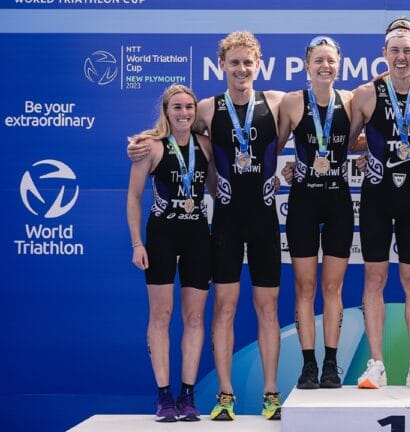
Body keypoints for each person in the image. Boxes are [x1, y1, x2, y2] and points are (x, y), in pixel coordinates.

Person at [128, 31, 285, 421]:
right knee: (221, 310)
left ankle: (268, 393)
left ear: (259, 64)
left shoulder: (279, 102)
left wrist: (360, 144)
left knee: (264, 309)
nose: (242, 69)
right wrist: (137, 143)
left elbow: (340, 108)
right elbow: (164, 138)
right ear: (222, 66)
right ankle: (216, 396)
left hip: (257, 221)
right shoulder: (204, 111)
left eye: (248, 62)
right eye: (234, 62)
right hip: (221, 225)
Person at [347, 17, 410, 390]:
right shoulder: (366, 93)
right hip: (376, 196)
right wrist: (365, 152)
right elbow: (346, 139)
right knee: (375, 278)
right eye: (394, 50)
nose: (400, 57)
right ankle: (376, 364)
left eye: (407, 50)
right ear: (383, 53)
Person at [126, 84, 216, 422]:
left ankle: (188, 395)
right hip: (161, 237)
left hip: (197, 237)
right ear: (166, 112)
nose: (184, 113)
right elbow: (134, 197)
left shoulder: (204, 146)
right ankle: (164, 395)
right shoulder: (150, 147)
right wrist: (137, 244)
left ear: (195, 112)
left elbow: (218, 187)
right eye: (176, 107)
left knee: (194, 318)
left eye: (189, 107)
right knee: (161, 317)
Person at [276, 35, 354, 390]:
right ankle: (309, 365)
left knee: (333, 287)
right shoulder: (292, 103)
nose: (325, 66)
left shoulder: (352, 101)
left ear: (339, 65)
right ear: (306, 65)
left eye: (331, 61)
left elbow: (373, 136)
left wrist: (376, 157)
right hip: (304, 200)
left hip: (338, 199)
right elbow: (268, 145)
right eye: (318, 60)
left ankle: (331, 365)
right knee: (305, 287)